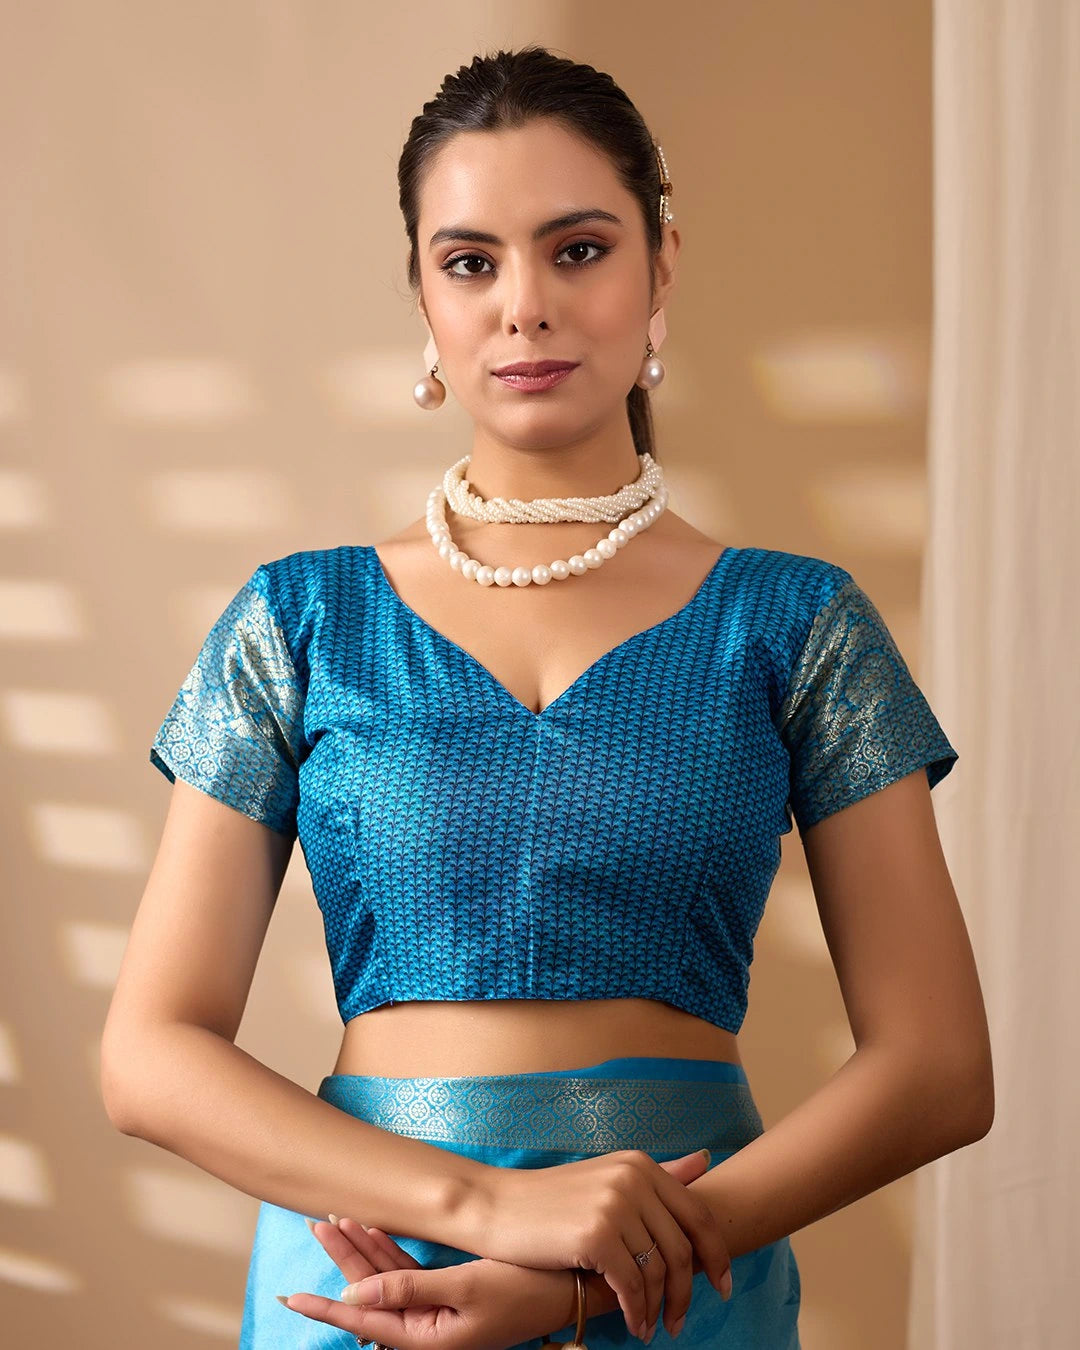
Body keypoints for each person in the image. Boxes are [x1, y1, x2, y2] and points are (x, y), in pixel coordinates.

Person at [100, 45, 994, 1350]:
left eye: (578, 250)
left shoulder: (797, 622)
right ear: (422, 292)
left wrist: (583, 1278)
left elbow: (940, 1069)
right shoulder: (299, 618)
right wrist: (492, 1207)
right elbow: (148, 1057)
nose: (524, 306)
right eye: (471, 262)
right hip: (374, 1278)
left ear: (661, 266)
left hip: (679, 1277)